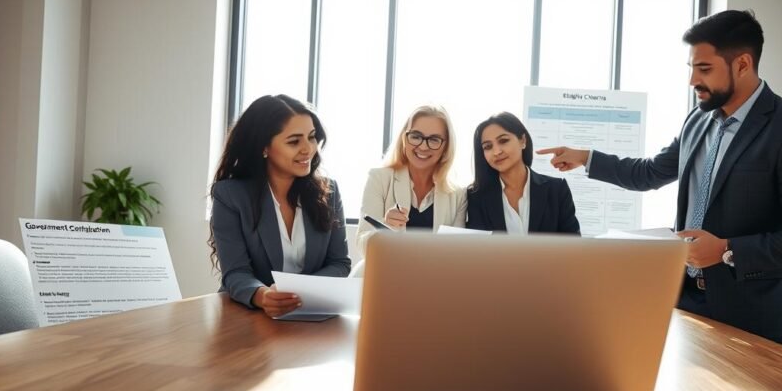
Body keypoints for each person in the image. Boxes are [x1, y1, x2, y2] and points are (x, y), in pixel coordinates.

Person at [538, 10, 782, 343]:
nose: (693, 80)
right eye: (691, 68)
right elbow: (650, 172)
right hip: (688, 298)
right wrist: (587, 158)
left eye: (704, 69)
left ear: (742, 64)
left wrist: (726, 249)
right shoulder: (698, 120)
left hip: (754, 313)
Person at [209, 94, 350, 318]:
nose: (308, 149)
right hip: (248, 316)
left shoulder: (328, 192)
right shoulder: (230, 195)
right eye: (294, 141)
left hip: (312, 315)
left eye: (311, 137)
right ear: (264, 147)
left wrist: (301, 293)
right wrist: (262, 295)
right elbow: (236, 272)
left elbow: (339, 263)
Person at [355, 105, 467, 257]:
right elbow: (363, 247)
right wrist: (386, 227)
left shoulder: (458, 194)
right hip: (387, 275)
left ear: (446, 146)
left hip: (435, 278)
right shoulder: (379, 179)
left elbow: (458, 254)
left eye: (434, 139)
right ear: (404, 139)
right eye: (416, 136)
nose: (422, 146)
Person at [467, 112, 580, 235]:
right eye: (487, 147)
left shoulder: (557, 190)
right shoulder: (476, 196)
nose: (496, 152)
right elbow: (476, 251)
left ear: (523, 141)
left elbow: (572, 247)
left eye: (503, 140)